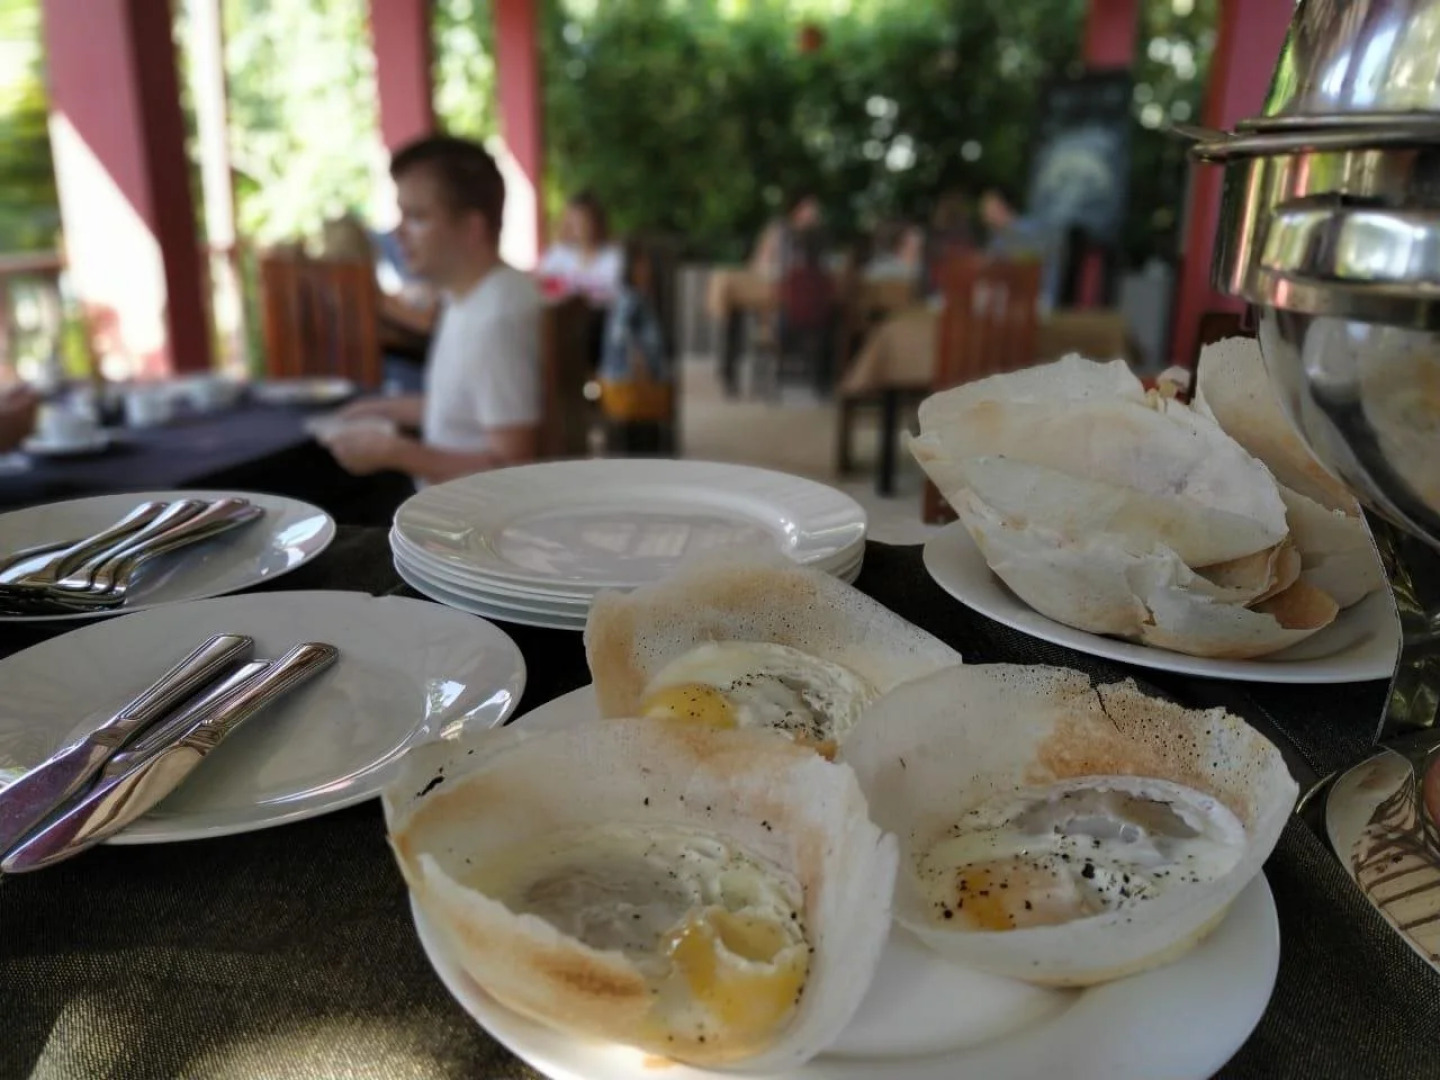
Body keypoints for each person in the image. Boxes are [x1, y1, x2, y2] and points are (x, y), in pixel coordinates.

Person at [319, 135, 541, 485]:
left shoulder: (496, 319)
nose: (398, 233)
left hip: (468, 527)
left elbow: (512, 465)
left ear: (471, 228)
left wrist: (393, 452)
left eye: (417, 217)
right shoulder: (474, 295)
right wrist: (379, 409)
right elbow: (461, 412)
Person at [979, 187, 1062, 308]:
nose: (984, 216)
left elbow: (1044, 266)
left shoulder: (1030, 231)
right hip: (1010, 300)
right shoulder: (997, 241)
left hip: (1036, 299)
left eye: (987, 209)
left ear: (1002, 207)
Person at [537, 193, 624, 304]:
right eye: (574, 221)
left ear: (597, 222)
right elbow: (540, 286)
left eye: (583, 220)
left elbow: (618, 295)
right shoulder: (558, 254)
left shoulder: (613, 256)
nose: (579, 227)